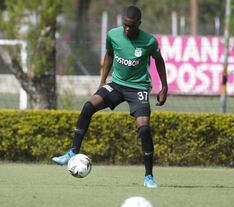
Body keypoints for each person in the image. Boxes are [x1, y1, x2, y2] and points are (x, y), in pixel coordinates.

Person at [52, 5, 168, 188]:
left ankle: (148, 177)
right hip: (117, 84)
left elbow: (159, 61)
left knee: (144, 129)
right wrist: (102, 82)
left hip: (138, 87)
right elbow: (109, 56)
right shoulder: (113, 35)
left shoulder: (149, 42)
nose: (127, 29)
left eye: (131, 26)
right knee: (88, 106)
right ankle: (72, 152)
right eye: (125, 25)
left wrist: (164, 86)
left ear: (139, 24)